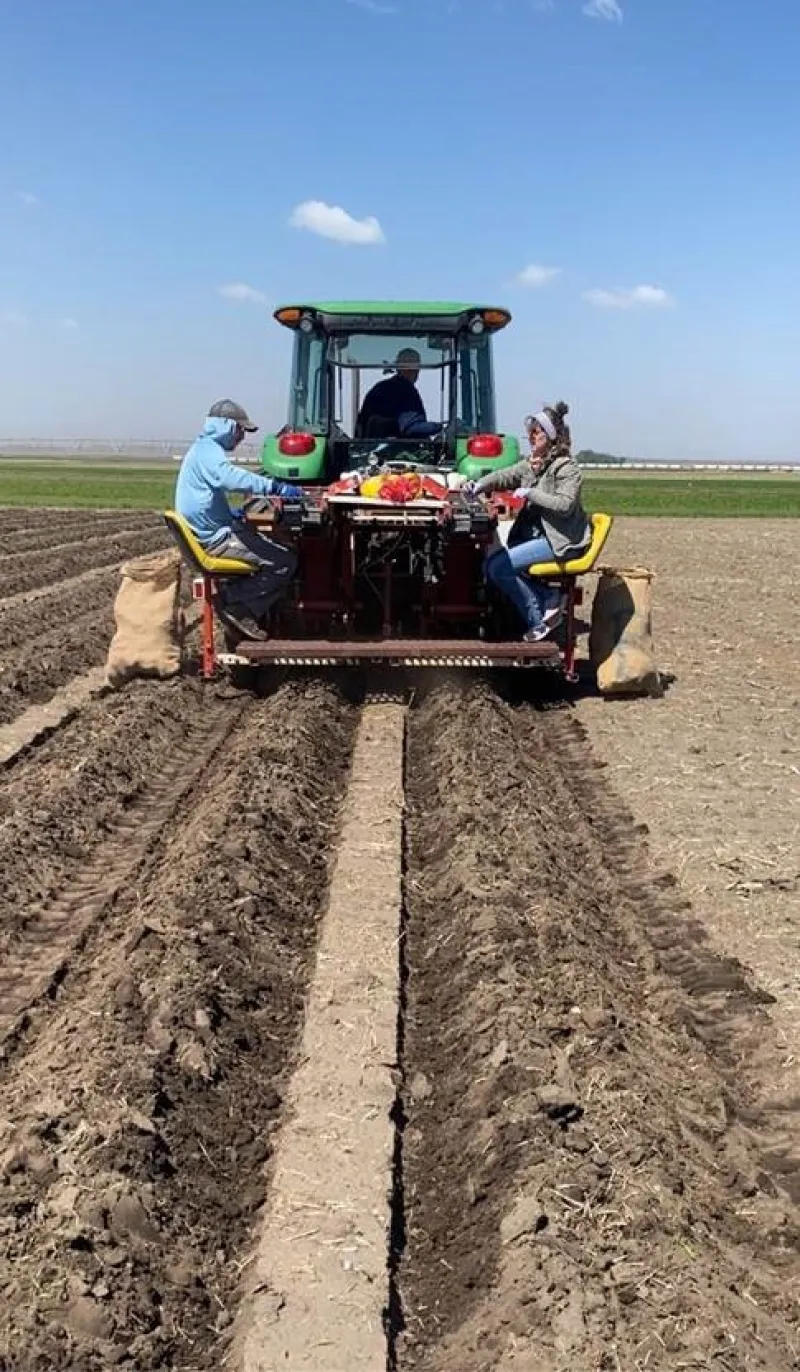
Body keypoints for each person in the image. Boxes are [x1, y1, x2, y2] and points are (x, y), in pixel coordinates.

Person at [175, 399, 303, 640]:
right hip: (216, 540)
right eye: (241, 429)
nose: (242, 436)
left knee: (270, 547)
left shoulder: (203, 449)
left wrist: (230, 514)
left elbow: (211, 491)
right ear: (226, 426)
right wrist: (276, 487)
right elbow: (230, 479)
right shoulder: (208, 452)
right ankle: (236, 605)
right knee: (285, 561)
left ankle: (240, 602)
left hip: (213, 530)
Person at [466, 401, 591, 642]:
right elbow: (506, 475)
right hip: (538, 535)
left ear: (551, 437)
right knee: (487, 567)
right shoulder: (534, 464)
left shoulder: (566, 468)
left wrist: (530, 493)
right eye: (530, 433)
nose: (531, 438)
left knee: (499, 567)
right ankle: (544, 599)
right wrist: (481, 484)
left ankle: (540, 616)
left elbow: (564, 506)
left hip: (560, 539)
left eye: (537, 433)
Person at [356, 348, 443, 439]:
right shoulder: (404, 389)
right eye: (415, 367)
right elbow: (411, 426)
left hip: (369, 448)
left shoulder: (379, 388)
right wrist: (440, 427)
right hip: (397, 449)